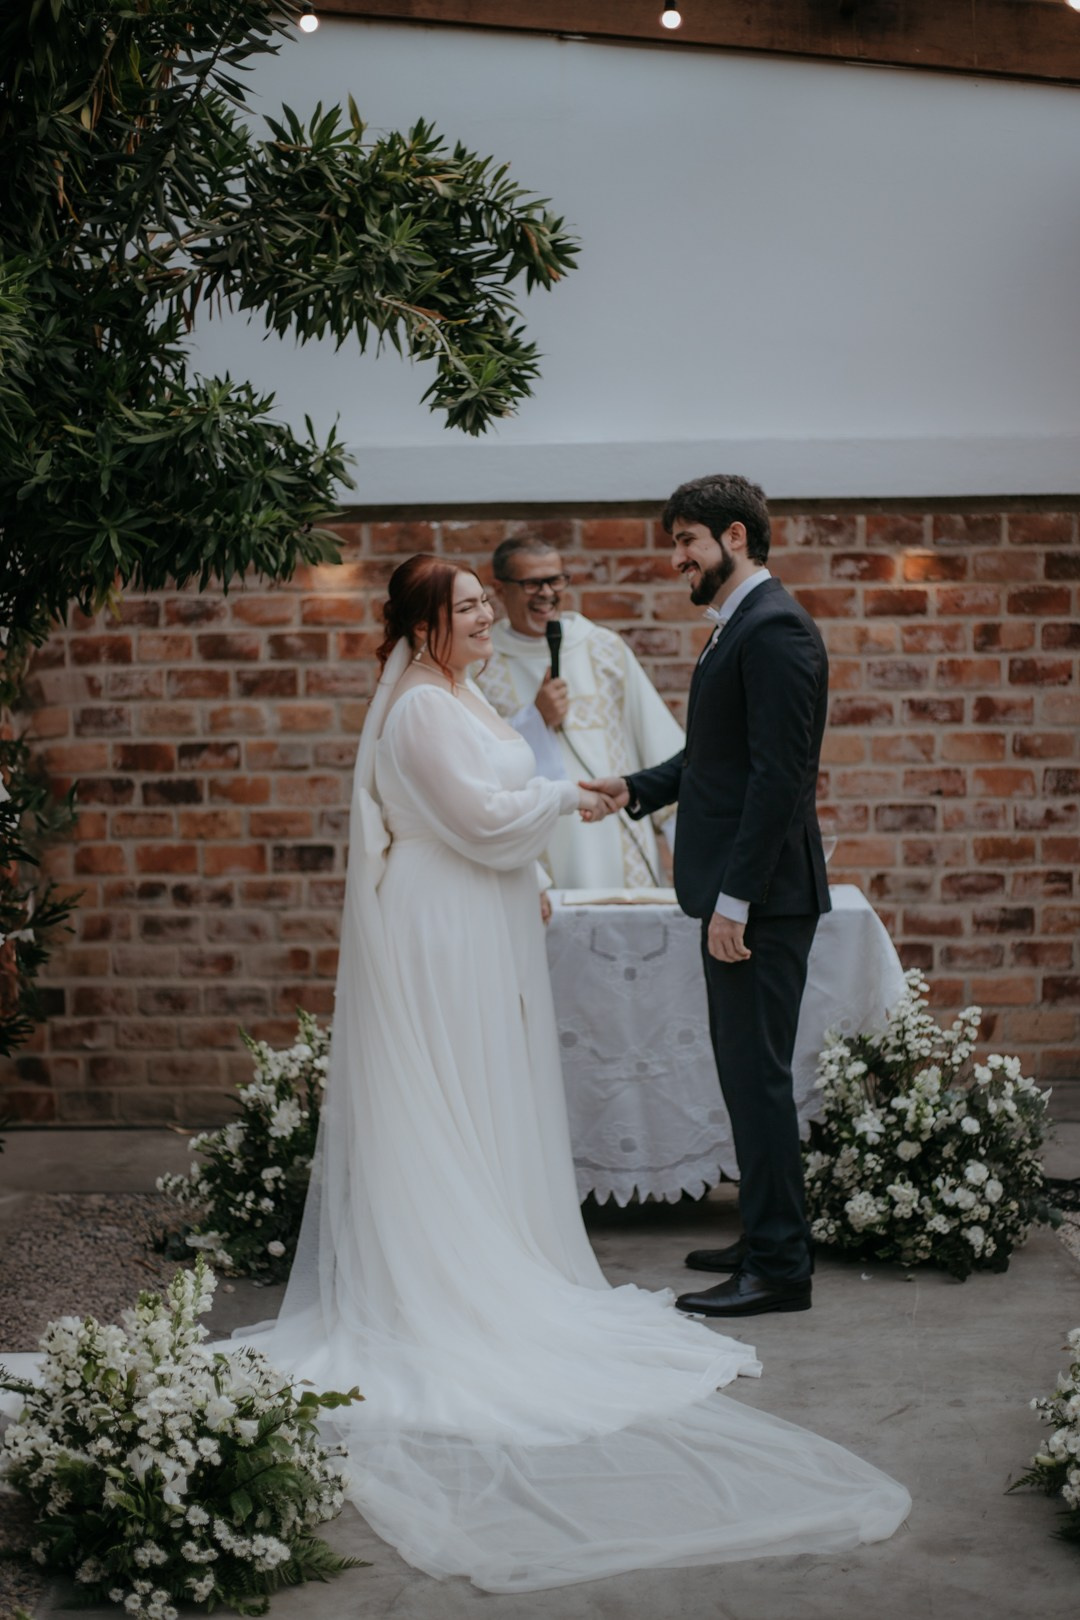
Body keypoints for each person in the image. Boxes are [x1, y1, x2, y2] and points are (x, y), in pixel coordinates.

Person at [228, 553, 908, 1590]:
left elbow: (507, 784)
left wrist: (565, 822)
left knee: (486, 1096)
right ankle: (439, 1281)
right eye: (463, 609)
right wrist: (568, 811)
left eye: (478, 608)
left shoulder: (460, 691)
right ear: (423, 628)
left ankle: (492, 1253)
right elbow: (481, 816)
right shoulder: (414, 710)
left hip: (481, 910)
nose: (481, 621)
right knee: (446, 1097)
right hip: (441, 923)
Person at [583, 475, 831, 1321]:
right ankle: (766, 1234)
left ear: (735, 535)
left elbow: (779, 781)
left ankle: (779, 1268)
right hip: (744, 898)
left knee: (758, 1081)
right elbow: (715, 761)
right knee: (744, 1078)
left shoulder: (775, 629)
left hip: (760, 903)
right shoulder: (737, 628)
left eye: (686, 541)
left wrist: (737, 901)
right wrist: (633, 787)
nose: (676, 560)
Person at [474, 537, 684, 888]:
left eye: (555, 580)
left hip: (617, 844)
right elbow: (478, 763)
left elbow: (661, 746)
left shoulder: (604, 649)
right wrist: (535, 719)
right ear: (499, 589)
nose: (546, 593)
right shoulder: (482, 665)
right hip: (536, 855)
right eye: (531, 584)